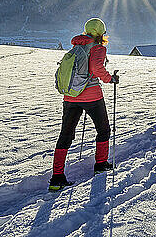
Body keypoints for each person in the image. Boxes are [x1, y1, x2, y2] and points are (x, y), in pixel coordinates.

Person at [49, 18, 119, 191]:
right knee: (103, 130)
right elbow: (95, 68)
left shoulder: (77, 46)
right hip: (92, 96)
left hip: (70, 96)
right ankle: (101, 164)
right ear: (101, 33)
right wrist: (110, 79)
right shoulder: (98, 47)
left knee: (65, 134)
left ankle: (57, 178)